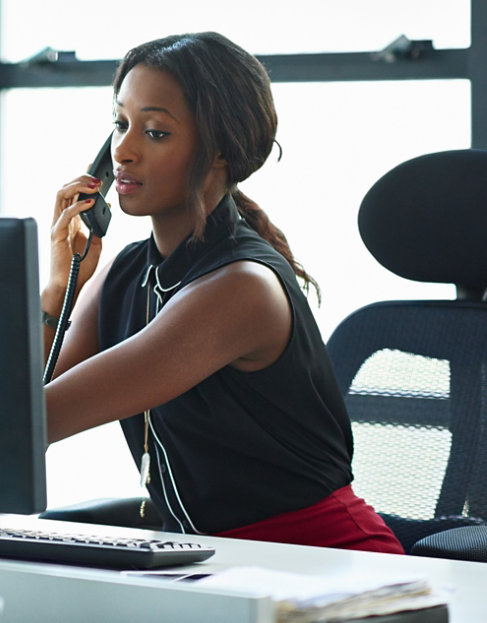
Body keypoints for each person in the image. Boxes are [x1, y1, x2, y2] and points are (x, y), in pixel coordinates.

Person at [42, 31, 403, 554]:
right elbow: (20, 406)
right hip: (215, 567)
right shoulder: (126, 275)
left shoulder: (240, 289)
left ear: (218, 152)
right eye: (120, 124)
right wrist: (59, 287)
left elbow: (37, 419)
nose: (123, 150)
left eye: (155, 132)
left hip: (326, 568)